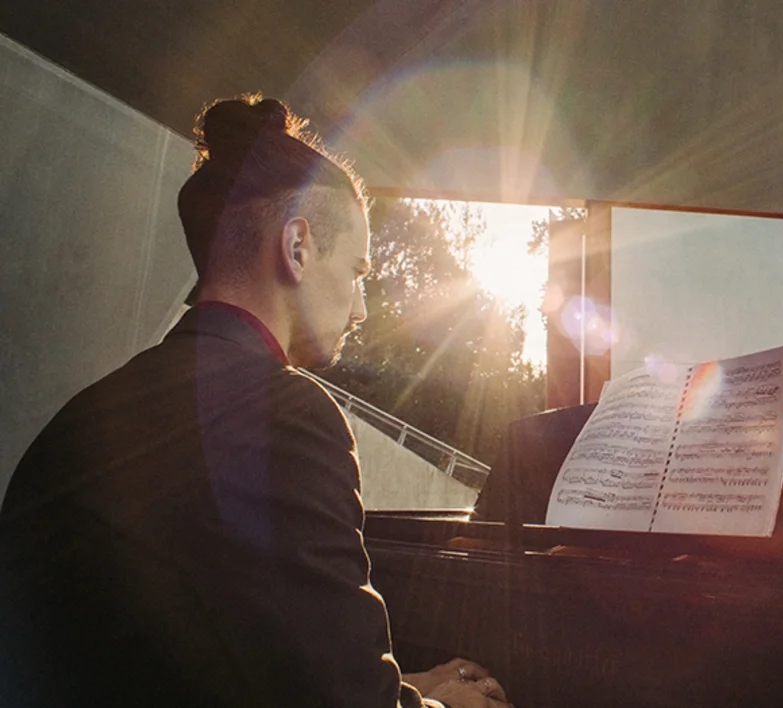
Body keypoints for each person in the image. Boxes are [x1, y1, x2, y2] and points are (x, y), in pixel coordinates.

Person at [0, 95, 510, 708]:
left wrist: (406, 685)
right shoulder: (287, 416)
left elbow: (211, 655)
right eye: (357, 272)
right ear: (297, 247)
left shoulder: (84, 415)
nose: (360, 309)